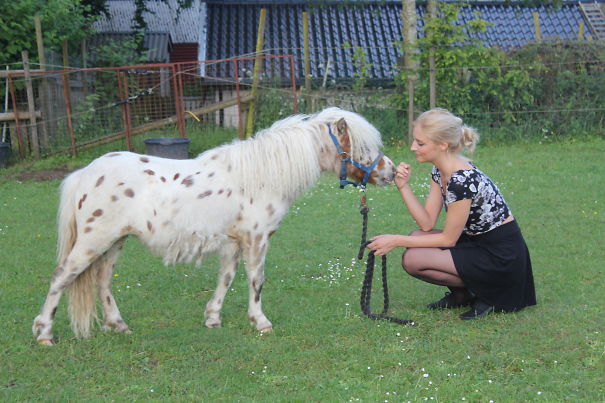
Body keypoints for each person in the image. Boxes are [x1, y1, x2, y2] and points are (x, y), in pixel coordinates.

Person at [367, 108, 536, 320]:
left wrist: (395, 240)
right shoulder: (440, 171)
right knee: (416, 236)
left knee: (412, 258)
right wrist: (403, 186)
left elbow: (449, 238)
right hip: (478, 244)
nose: (413, 147)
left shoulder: (461, 180)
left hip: (501, 256)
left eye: (420, 143)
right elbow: (427, 223)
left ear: (443, 145)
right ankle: (462, 295)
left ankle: (490, 294)